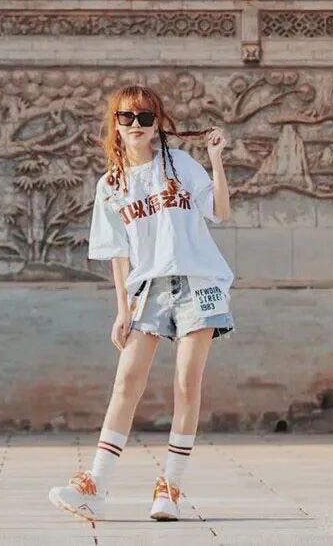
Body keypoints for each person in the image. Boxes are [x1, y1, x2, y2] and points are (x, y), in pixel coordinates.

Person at [48, 84, 234, 526]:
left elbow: (220, 212)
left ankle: (169, 488)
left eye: (145, 117)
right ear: (115, 123)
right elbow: (117, 252)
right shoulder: (111, 185)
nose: (136, 124)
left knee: (186, 383)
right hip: (147, 289)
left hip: (199, 282)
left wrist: (216, 160)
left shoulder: (180, 164)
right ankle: (95, 486)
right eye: (127, 117)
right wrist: (122, 309)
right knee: (126, 382)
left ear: (157, 124)